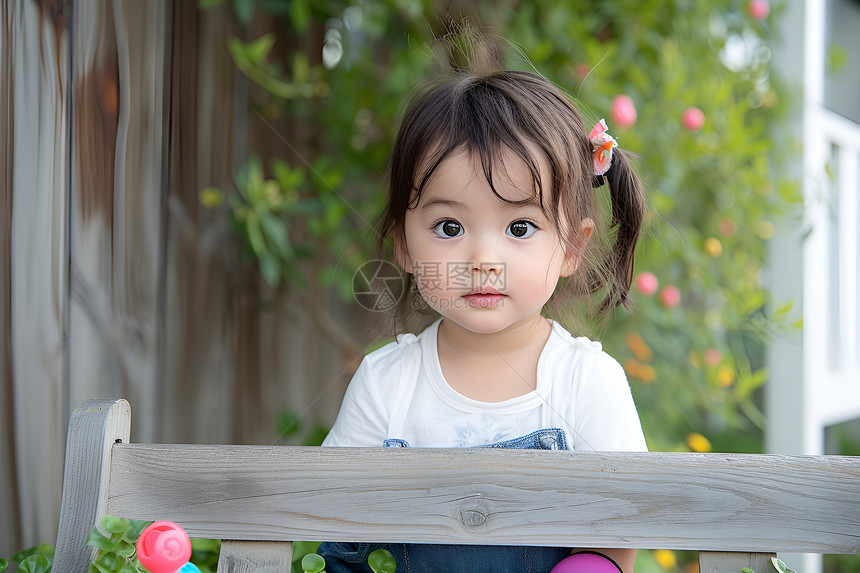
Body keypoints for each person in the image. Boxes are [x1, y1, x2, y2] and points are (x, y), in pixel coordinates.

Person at [318, 32, 647, 573]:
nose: (483, 258)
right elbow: (332, 530)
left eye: (520, 226)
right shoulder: (386, 385)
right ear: (404, 242)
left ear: (571, 246)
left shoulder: (585, 383)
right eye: (449, 226)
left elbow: (616, 536)